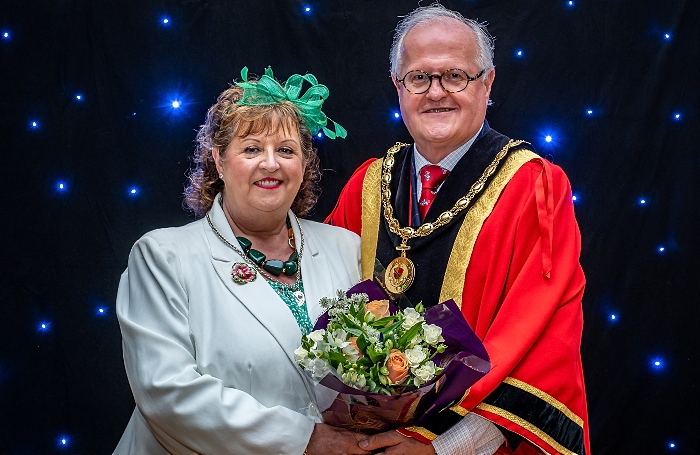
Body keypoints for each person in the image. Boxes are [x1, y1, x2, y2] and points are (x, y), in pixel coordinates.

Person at [327, 5, 590, 455]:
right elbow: (323, 310)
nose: (436, 93)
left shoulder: (534, 187)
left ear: (487, 83)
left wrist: (443, 449)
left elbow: (545, 341)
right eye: (418, 77)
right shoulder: (367, 186)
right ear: (398, 86)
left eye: (455, 76)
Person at [114, 67, 369, 455]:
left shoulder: (347, 248)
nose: (270, 163)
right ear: (218, 160)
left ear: (304, 165)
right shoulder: (162, 256)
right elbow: (167, 394)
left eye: (286, 150)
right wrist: (306, 441)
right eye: (251, 149)